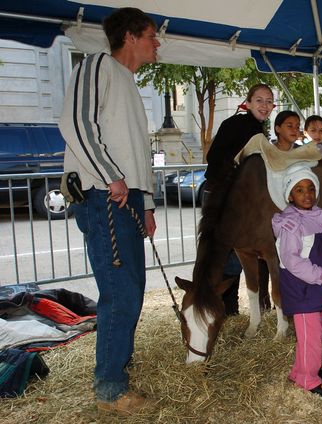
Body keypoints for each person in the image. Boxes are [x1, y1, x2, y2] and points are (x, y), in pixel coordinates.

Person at [58, 7, 159, 415]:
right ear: (130, 36)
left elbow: (138, 155)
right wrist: (110, 175)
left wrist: (146, 204)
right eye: (152, 35)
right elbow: (76, 123)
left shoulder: (129, 83)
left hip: (126, 198)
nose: (157, 43)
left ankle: (118, 367)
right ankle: (110, 390)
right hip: (105, 195)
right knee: (120, 295)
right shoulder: (97, 65)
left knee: (131, 291)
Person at [203, 83, 275, 314]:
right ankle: (224, 309)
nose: (264, 106)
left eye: (269, 101)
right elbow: (213, 157)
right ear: (248, 102)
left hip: (239, 200)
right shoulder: (236, 124)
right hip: (222, 197)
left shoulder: (259, 129)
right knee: (225, 255)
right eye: (259, 100)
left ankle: (229, 309)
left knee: (235, 255)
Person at [271, 165, 322, 397]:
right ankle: (309, 379)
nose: (307, 194)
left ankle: (299, 371)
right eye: (299, 190)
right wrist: (321, 275)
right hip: (303, 288)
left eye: (311, 188)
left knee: (315, 330)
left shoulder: (314, 216)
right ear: (290, 195)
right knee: (310, 335)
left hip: (313, 289)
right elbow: (291, 260)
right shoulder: (292, 223)